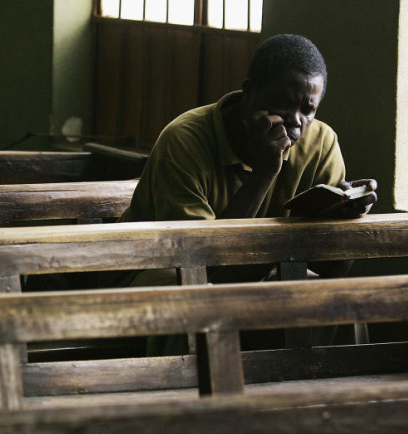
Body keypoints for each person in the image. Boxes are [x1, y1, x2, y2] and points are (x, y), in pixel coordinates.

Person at [106, 33, 377, 353]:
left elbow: (331, 267)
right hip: (157, 272)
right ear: (250, 93)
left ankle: (323, 401)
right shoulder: (184, 139)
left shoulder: (321, 143)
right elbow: (203, 263)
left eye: (308, 109)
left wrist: (343, 223)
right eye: (283, 104)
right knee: (203, 303)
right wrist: (264, 173)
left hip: (260, 273)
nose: (295, 121)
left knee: (338, 304)